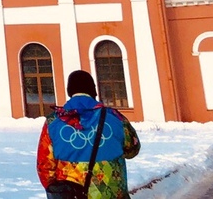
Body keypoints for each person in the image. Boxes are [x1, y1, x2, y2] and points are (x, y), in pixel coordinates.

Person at [37, 70, 140, 199]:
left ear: (70, 91)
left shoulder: (52, 122)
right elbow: (133, 149)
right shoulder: (115, 117)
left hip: (73, 194)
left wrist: (57, 190)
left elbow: (45, 166)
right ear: (93, 91)